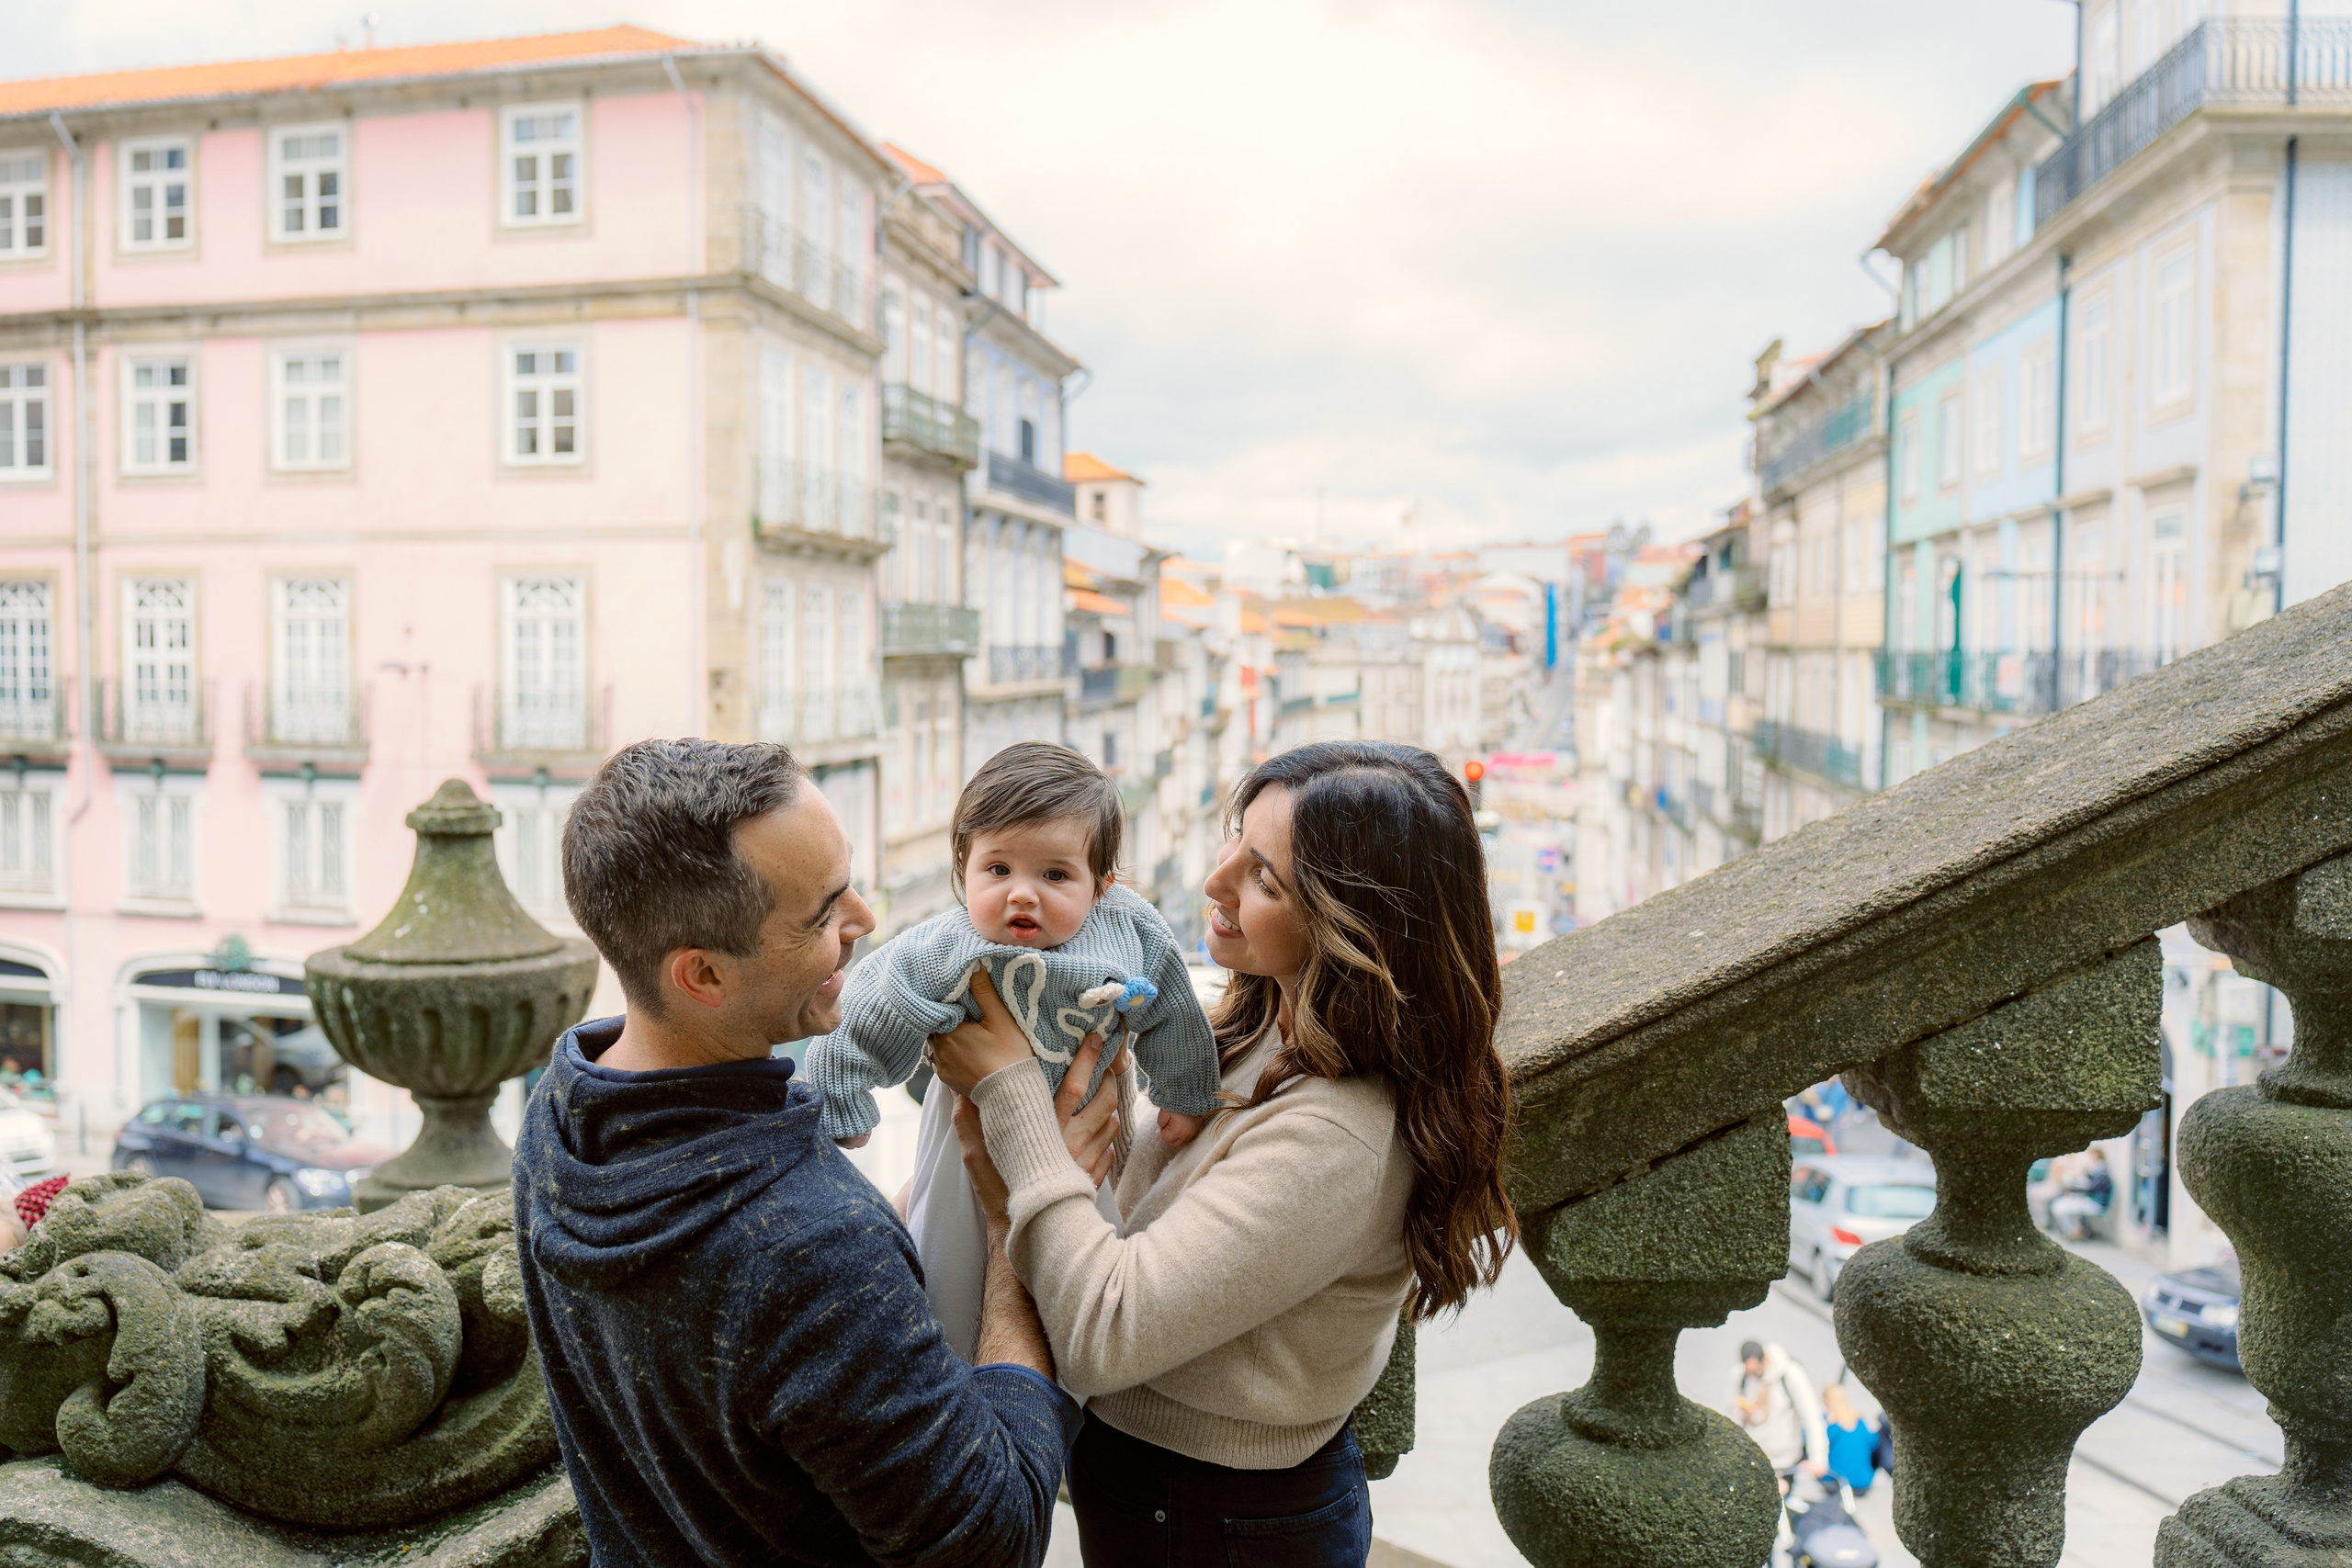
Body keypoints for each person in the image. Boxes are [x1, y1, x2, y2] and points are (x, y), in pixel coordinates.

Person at [511, 739, 1114, 1568]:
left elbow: (751, 1318)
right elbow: (993, 1539)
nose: (865, 919)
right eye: (823, 915)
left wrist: (939, 1194)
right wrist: (1018, 1229)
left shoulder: (565, 1107)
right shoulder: (809, 1250)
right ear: (703, 975)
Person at [933, 740, 1518, 1566]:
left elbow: (1105, 1328)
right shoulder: (1262, 1027)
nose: (1216, 882)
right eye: (1235, 838)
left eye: (1264, 879)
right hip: (1159, 1485)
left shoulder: (1338, 1134)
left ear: (1353, 921)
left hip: (1224, 1518)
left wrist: (1012, 1098)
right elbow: (1143, 1208)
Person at [804, 741, 1222, 1359]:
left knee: (1082, 1269)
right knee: (948, 1269)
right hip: (964, 1135)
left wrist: (1185, 1092)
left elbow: (1174, 1008)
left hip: (1084, 1145)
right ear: (963, 869)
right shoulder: (946, 948)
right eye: (998, 870)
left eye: (1054, 875)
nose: (1022, 894)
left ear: (1101, 885)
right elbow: (868, 1006)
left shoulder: (1130, 932)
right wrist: (841, 1100)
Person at [1733, 1340, 1828, 1483]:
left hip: (1784, 1461)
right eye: (1749, 1371)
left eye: (1756, 1371)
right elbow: (1732, 1414)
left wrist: (1818, 1458)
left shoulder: (1790, 1373)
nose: (1753, 1376)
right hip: (1752, 1459)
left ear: (1765, 1360)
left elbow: (1811, 1416)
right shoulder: (1741, 1375)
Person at [1820, 1379, 1882, 1496]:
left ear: (1825, 1400)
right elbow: (1874, 1443)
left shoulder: (1826, 1423)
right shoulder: (1859, 1421)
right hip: (1863, 1484)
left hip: (1835, 1483)